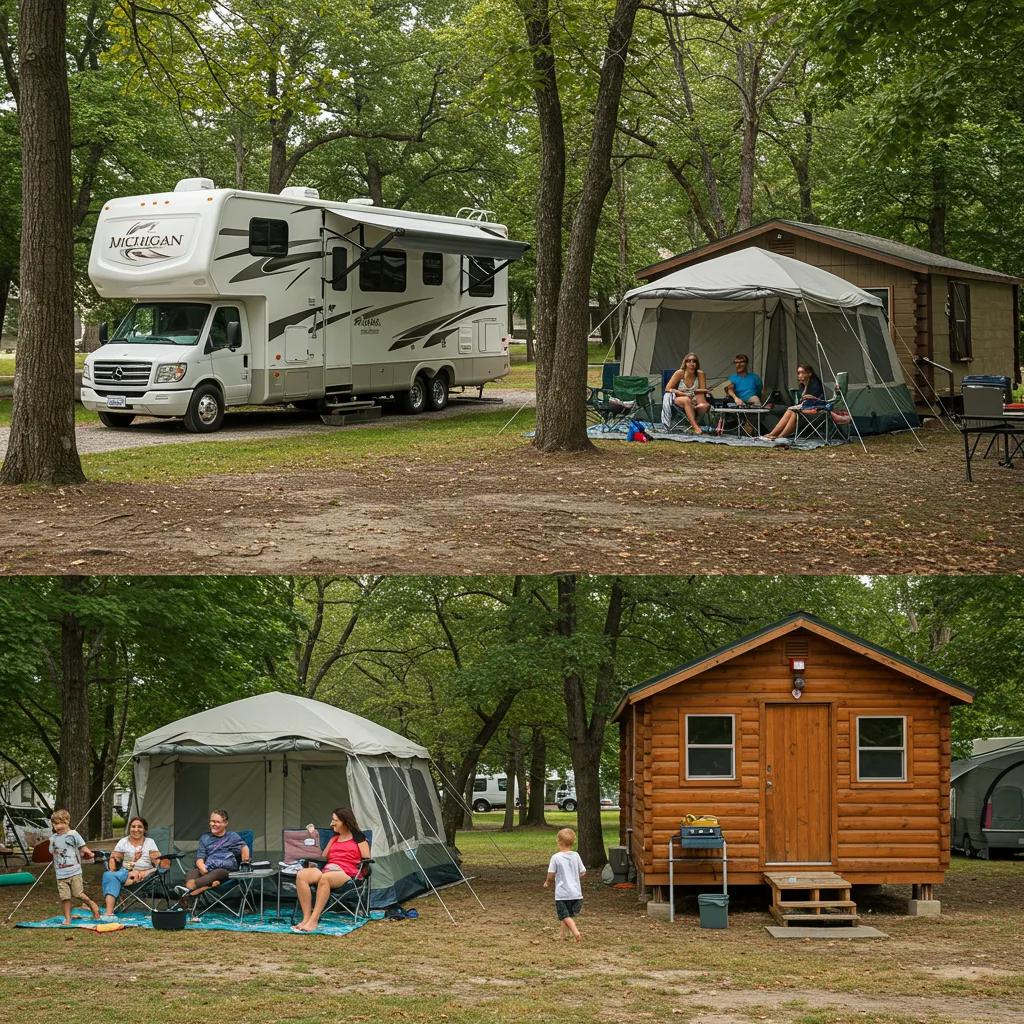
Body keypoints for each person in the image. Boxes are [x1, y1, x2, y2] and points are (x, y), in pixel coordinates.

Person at [292, 808, 370, 933]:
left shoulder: (358, 837)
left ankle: (314, 920)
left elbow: (366, 859)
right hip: (328, 868)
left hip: (347, 873)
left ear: (345, 821)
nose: (331, 823)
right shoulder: (334, 839)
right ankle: (306, 918)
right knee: (302, 875)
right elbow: (323, 857)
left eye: (335, 820)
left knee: (325, 878)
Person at [174, 808, 249, 916]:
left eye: (217, 822)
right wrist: (202, 867)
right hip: (208, 868)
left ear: (225, 823)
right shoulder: (205, 837)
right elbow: (200, 857)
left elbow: (244, 847)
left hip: (225, 870)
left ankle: (188, 889)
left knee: (216, 873)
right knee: (192, 873)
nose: (214, 824)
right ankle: (206, 886)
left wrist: (245, 861)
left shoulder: (232, 836)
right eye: (212, 821)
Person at [101, 815, 161, 919]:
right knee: (111, 875)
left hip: (145, 877)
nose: (136, 829)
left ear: (145, 829)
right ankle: (110, 912)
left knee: (110, 877)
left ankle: (109, 913)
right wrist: (113, 868)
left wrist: (147, 872)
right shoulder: (123, 841)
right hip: (125, 872)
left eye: (139, 827)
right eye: (133, 826)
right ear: (129, 829)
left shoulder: (150, 842)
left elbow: (158, 864)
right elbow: (114, 858)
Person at [48, 808, 100, 926]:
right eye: (55, 824)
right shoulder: (53, 838)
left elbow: (82, 846)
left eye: (61, 823)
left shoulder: (73, 834)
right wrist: (52, 844)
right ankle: (68, 919)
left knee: (77, 894)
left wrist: (89, 853)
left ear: (67, 822)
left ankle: (91, 904)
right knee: (65, 898)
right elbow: (51, 851)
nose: (58, 826)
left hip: (75, 871)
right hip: (60, 873)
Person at [759, 363, 826, 441]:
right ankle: (773, 434)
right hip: (805, 411)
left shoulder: (815, 386)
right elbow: (803, 403)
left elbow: (814, 405)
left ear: (809, 373)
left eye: (802, 373)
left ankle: (780, 436)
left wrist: (798, 408)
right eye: (798, 373)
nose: (799, 375)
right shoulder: (803, 386)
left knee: (793, 413)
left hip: (816, 413)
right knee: (790, 411)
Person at [544, 826, 586, 942]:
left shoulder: (556, 857)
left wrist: (547, 882)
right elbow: (583, 872)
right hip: (576, 894)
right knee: (567, 915)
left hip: (563, 894)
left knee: (564, 916)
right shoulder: (576, 855)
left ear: (559, 841)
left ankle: (576, 932)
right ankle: (562, 936)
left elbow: (551, 874)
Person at [662, 353, 711, 433]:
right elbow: (668, 388)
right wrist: (683, 394)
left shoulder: (700, 374)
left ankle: (693, 423)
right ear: (685, 363)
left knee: (705, 406)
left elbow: (702, 390)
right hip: (679, 398)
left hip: (695, 398)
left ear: (697, 364)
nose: (692, 364)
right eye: (689, 361)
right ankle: (696, 428)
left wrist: (704, 392)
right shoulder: (679, 373)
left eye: (694, 361)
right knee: (686, 400)